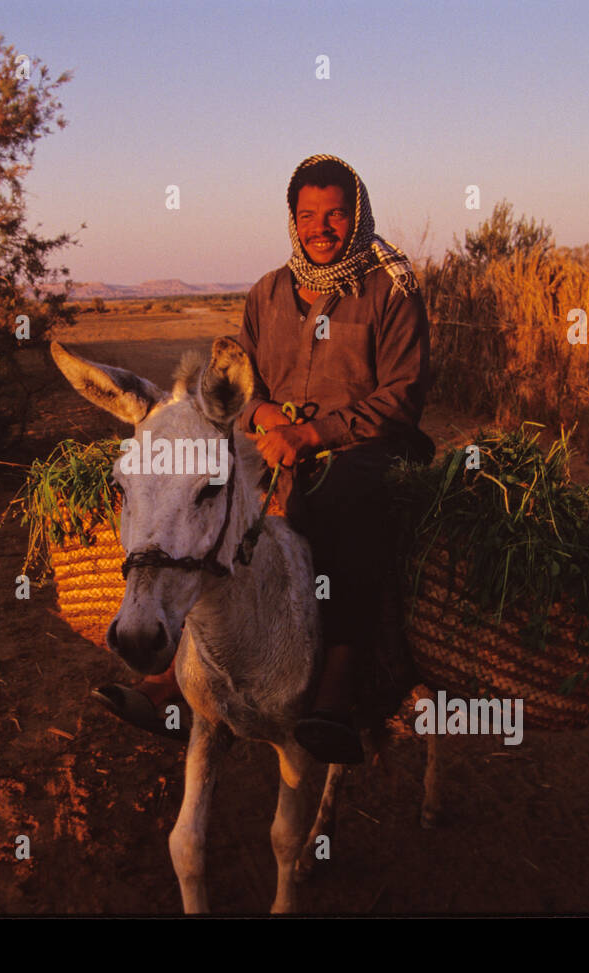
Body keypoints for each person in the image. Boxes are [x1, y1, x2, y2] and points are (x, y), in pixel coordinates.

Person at [93, 153, 433, 764]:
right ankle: (179, 675)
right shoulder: (268, 292)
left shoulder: (390, 292)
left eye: (334, 215)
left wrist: (313, 435)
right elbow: (242, 387)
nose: (320, 228)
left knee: (342, 514)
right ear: (292, 220)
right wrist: (263, 417)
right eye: (308, 216)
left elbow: (402, 396)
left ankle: (337, 684)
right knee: (208, 505)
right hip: (273, 441)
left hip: (364, 448)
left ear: (357, 217)